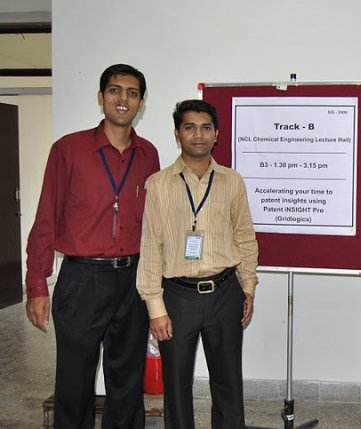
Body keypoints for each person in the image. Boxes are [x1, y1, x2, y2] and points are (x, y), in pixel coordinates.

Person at [25, 64, 160, 428]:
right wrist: (37, 284)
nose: (123, 99)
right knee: (75, 381)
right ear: (101, 97)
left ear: (141, 103)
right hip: (82, 279)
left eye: (132, 93)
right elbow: (46, 217)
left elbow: (154, 222)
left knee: (127, 380)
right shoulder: (68, 149)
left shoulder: (148, 154)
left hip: (132, 279)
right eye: (115, 90)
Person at [136, 99, 258, 429]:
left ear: (216, 134)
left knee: (228, 383)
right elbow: (150, 247)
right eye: (189, 127)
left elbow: (245, 237)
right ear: (177, 134)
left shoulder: (232, 181)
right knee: (176, 387)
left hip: (225, 293)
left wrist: (248, 287)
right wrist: (155, 308)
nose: (198, 135)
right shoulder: (158, 184)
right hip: (178, 298)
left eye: (206, 128)